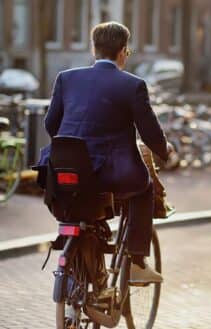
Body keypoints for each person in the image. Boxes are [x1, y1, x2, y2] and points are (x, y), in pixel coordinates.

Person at [38, 22, 169, 285]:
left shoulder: (66, 78)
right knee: (143, 189)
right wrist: (166, 153)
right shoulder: (133, 85)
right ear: (123, 51)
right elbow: (150, 132)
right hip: (112, 173)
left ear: (94, 49)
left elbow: (51, 124)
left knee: (80, 193)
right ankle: (136, 261)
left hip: (66, 167)